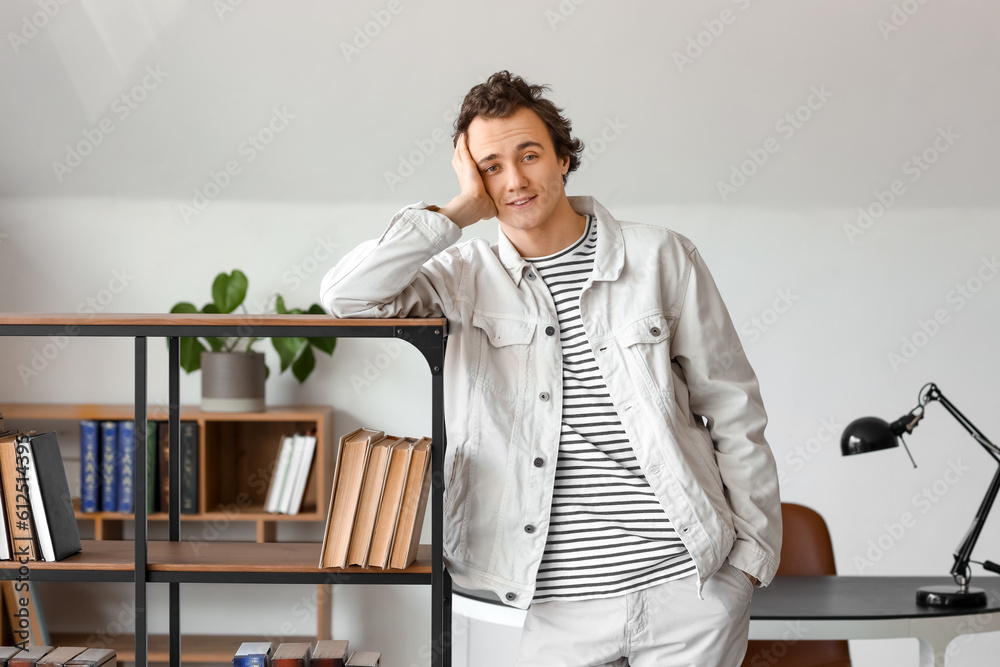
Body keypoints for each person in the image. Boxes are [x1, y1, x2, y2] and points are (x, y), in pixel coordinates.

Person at [321, 70, 781, 666]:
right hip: (545, 608)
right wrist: (459, 210)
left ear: (563, 158)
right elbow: (347, 296)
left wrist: (747, 566)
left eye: (529, 154)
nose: (514, 180)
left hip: (684, 590)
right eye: (491, 166)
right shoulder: (461, 276)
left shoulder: (659, 257)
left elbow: (732, 407)